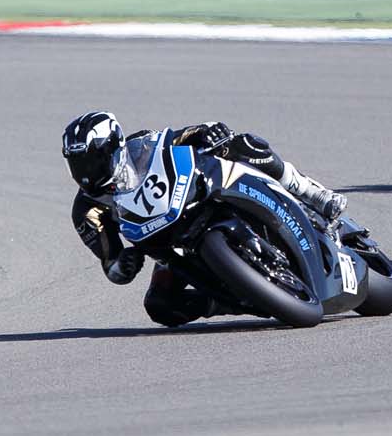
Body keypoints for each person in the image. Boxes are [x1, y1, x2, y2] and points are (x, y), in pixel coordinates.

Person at [62, 111, 346, 326]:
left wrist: (208, 132)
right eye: (77, 163)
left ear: (114, 148)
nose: (86, 171)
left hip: (194, 201)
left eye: (92, 160)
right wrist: (123, 265)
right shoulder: (85, 211)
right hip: (167, 247)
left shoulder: (140, 146)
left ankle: (311, 193)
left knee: (244, 144)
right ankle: (245, 299)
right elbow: (111, 264)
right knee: (160, 306)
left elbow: (181, 136)